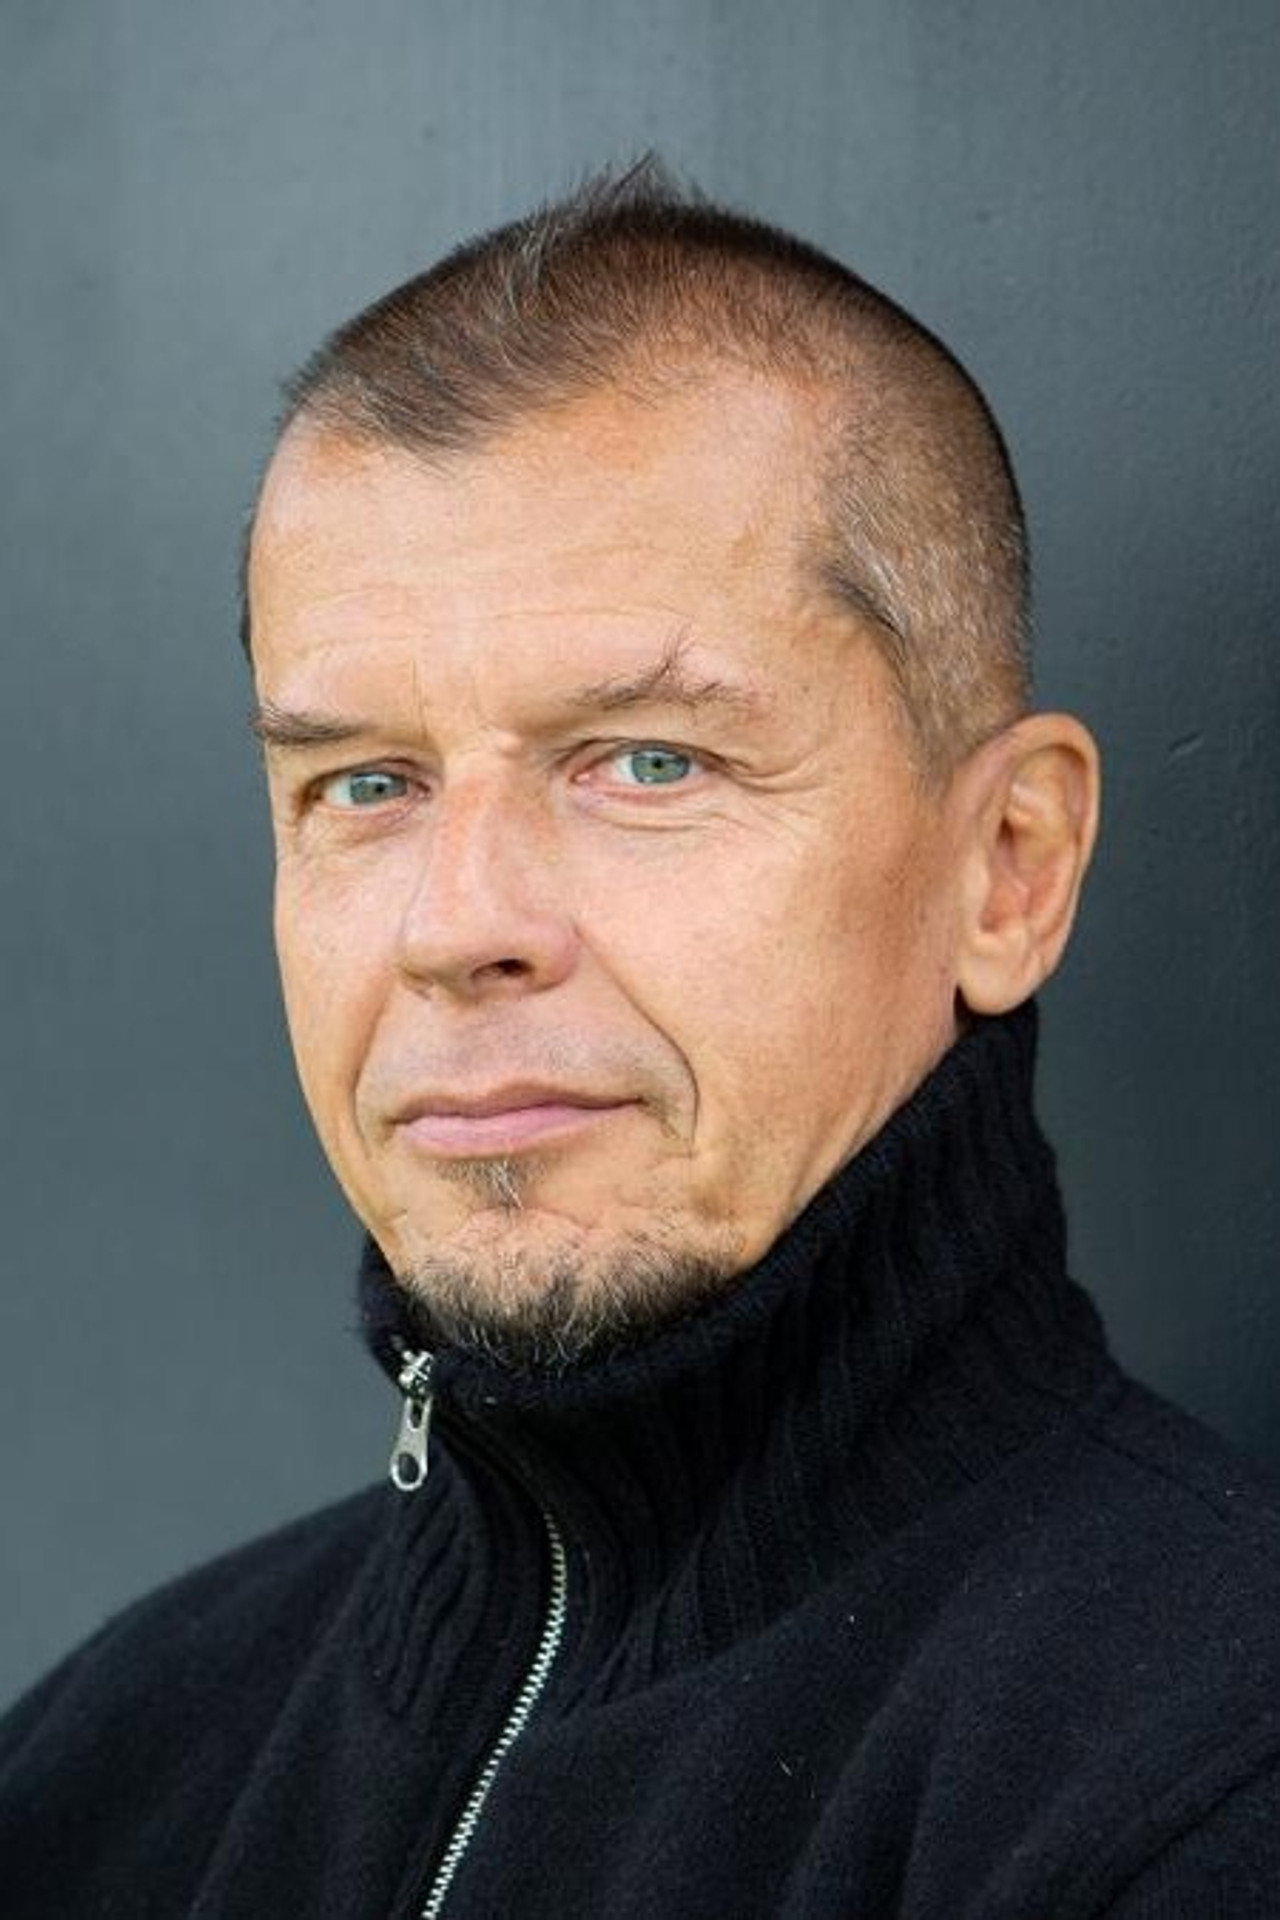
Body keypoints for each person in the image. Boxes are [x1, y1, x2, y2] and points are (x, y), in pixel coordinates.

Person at [2, 164, 1279, 1919]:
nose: (457, 925)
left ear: (1007, 867)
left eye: (648, 763)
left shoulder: (1204, 1795)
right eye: (363, 784)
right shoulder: (100, 1777)